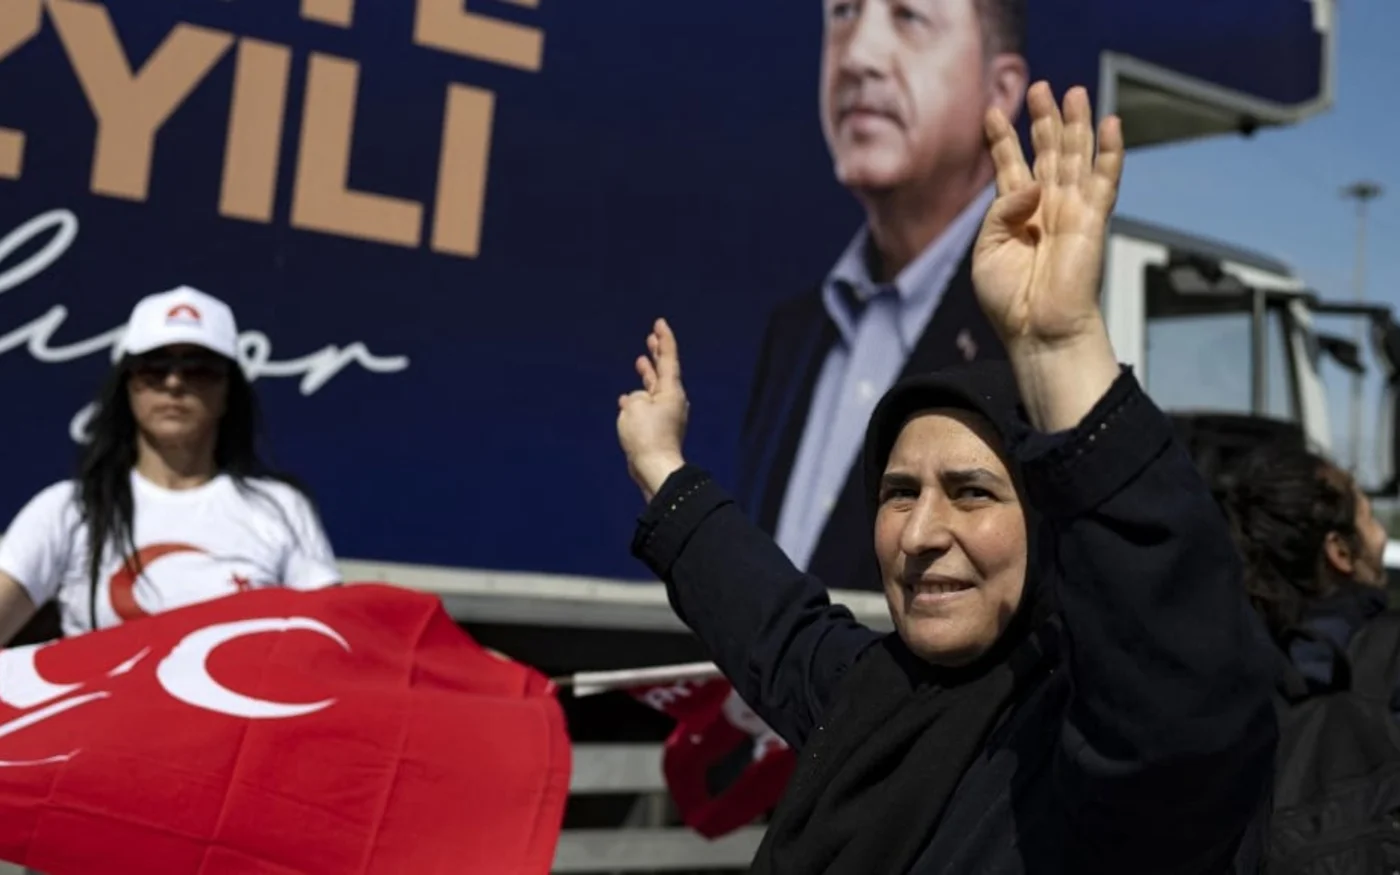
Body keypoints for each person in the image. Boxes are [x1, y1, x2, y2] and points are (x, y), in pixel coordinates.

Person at [617, 83, 1276, 872]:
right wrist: (663, 467)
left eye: (973, 491)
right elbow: (771, 622)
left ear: (1051, 523)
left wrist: (1061, 349)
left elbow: (1175, 684)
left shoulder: (1098, 755)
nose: (923, 535)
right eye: (900, 492)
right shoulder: (874, 697)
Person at [737, 0, 1031, 591]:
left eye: (909, 17)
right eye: (843, 14)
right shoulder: (795, 332)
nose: (859, 56)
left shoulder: (1031, 335)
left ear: (999, 92)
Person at [0, 286, 341, 643]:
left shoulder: (282, 508)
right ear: (129, 385)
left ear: (228, 390)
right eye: (153, 367)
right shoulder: (68, 509)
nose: (174, 383)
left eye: (200, 369)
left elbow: (332, 646)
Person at [1221, 442, 1391, 701]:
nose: (1382, 535)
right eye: (1369, 518)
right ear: (1340, 552)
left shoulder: (1234, 666)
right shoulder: (1386, 660)